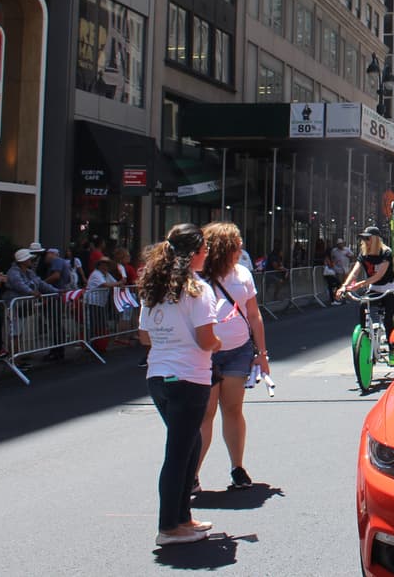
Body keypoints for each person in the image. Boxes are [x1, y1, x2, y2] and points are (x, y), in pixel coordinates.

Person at [137, 223, 219, 547]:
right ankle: (169, 526)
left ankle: (182, 518)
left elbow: (145, 335)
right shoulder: (198, 291)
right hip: (188, 377)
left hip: (159, 376)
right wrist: (218, 343)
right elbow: (205, 339)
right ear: (194, 254)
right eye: (204, 249)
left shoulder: (154, 288)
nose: (208, 253)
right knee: (178, 453)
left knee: (189, 446)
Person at [195, 222, 269, 494]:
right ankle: (192, 473)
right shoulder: (198, 277)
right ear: (224, 248)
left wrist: (262, 353)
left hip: (239, 350)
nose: (241, 251)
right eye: (236, 246)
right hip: (206, 353)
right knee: (206, 413)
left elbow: (254, 315)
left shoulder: (243, 275)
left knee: (233, 409)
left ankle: (237, 467)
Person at [337, 226, 394, 359]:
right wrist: (344, 286)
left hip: (389, 289)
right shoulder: (364, 254)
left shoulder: (386, 252)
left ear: (376, 239)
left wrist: (361, 284)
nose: (365, 241)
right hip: (374, 289)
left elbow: (379, 275)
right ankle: (364, 333)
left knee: (388, 320)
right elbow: (355, 272)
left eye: (368, 238)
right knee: (362, 304)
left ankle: (392, 350)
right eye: (363, 238)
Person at [85, 256, 123, 354]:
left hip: (101, 303)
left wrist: (121, 281)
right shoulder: (96, 274)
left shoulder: (106, 274)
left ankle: (99, 345)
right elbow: (105, 285)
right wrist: (119, 282)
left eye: (107, 264)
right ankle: (91, 345)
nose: (106, 266)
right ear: (99, 265)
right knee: (94, 324)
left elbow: (115, 283)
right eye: (104, 264)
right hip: (92, 302)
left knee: (100, 324)